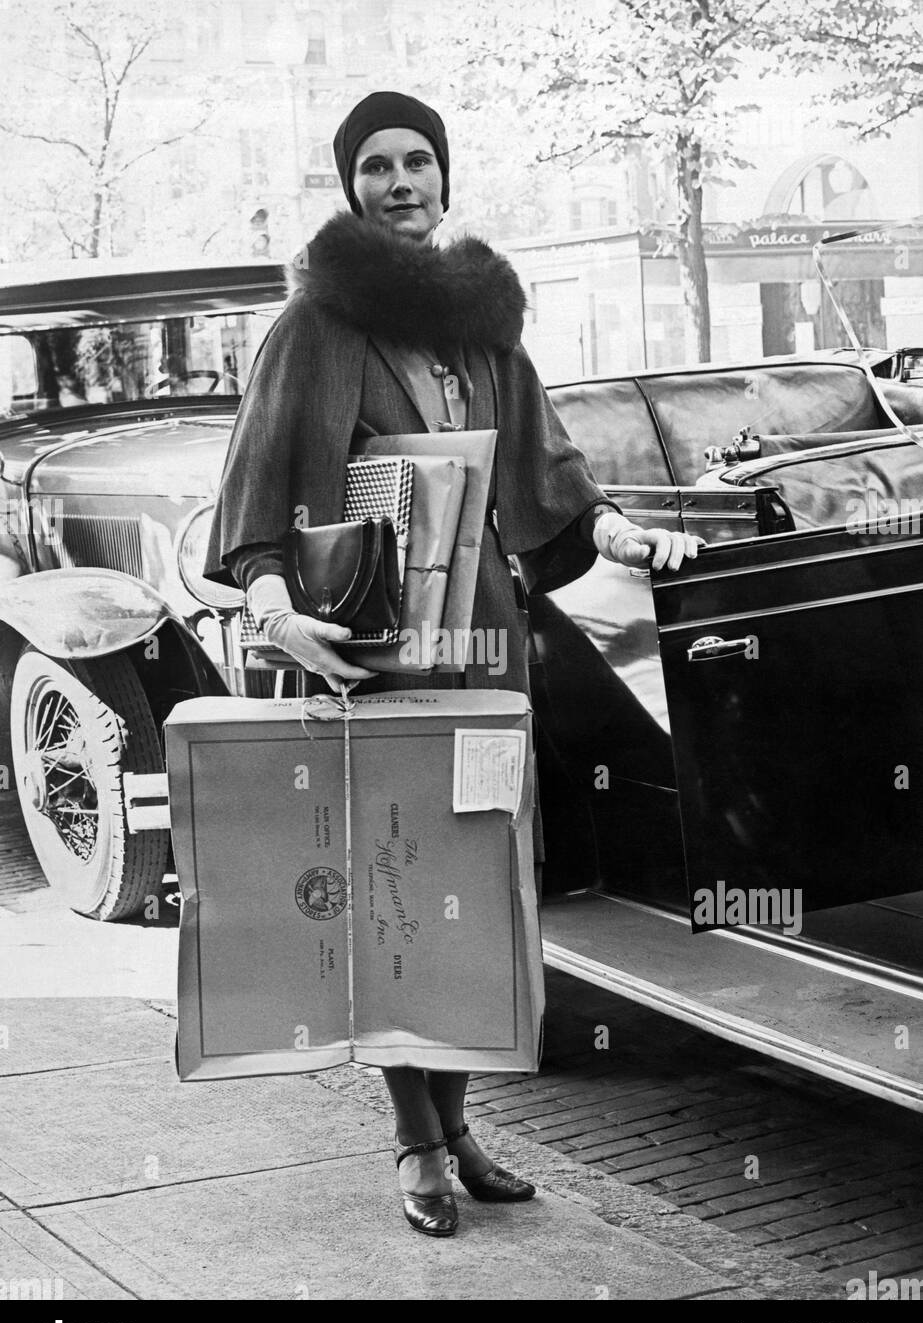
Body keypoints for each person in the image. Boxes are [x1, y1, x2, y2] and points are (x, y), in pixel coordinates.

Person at [205, 91, 701, 1238]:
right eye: (374, 166)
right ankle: (415, 1143)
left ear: (445, 175)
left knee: (480, 895)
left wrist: (628, 535)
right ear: (349, 187)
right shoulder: (314, 327)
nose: (399, 183)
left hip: (485, 656)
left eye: (417, 161)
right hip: (371, 664)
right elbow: (254, 500)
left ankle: (465, 1125)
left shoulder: (487, 323)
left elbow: (552, 485)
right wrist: (278, 612)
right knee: (393, 904)